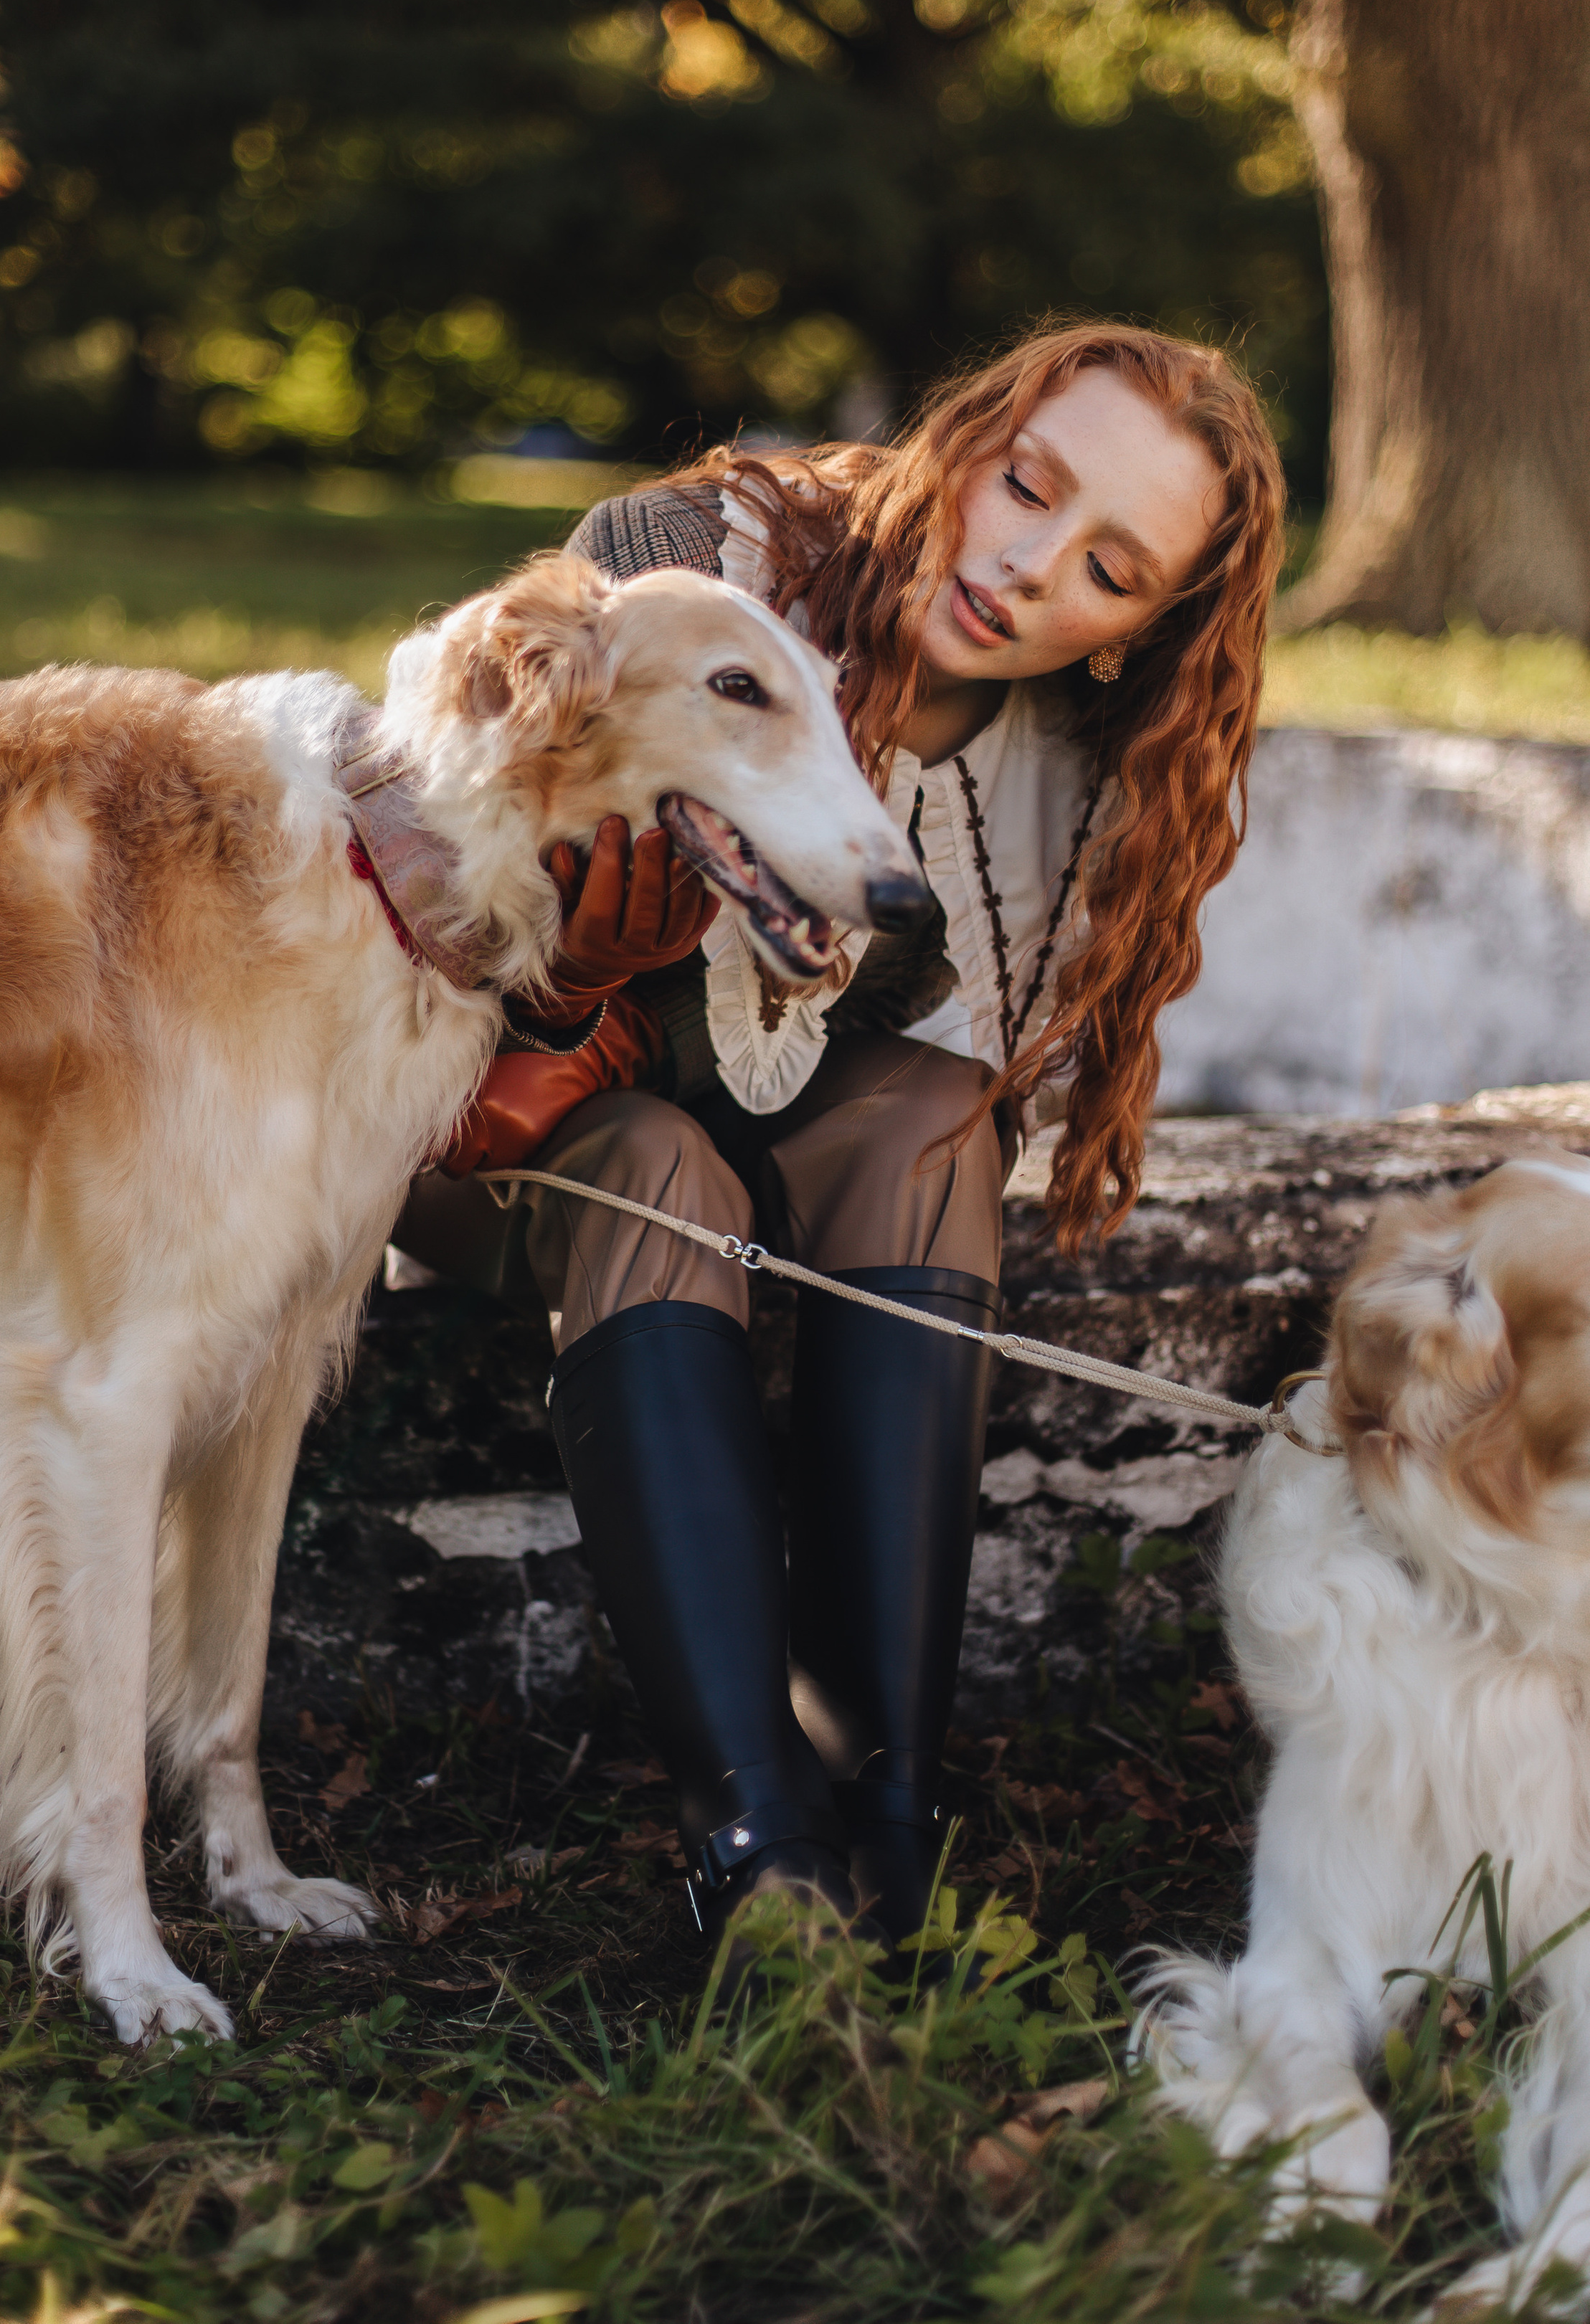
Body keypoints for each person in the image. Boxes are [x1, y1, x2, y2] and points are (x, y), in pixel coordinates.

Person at [392, 321, 1286, 1952]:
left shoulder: (1075, 782)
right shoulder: (683, 570)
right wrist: (586, 972)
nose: (1023, 567)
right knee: (662, 1163)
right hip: (499, 1137)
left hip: (771, 1156)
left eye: (1106, 568)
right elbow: (434, 955)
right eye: (1024, 486)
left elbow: (910, 1068)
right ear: (971, 433)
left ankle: (886, 1817)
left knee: (940, 1117)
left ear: (1135, 633)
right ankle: (752, 1842)